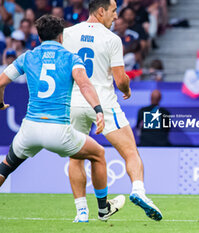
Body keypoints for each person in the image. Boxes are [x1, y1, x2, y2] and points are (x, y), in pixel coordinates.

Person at [0, 15, 125, 222]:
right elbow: (85, 84)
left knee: (6, 166)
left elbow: (1, 82)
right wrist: (98, 110)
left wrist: (0, 101)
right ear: (61, 36)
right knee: (98, 154)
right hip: (58, 130)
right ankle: (103, 210)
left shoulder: (27, 57)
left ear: (39, 36)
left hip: (29, 128)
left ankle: (82, 211)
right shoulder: (70, 58)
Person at [62, 0, 162, 222]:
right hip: (103, 103)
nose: (117, 16)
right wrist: (127, 89)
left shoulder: (67, 34)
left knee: (75, 159)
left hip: (74, 103)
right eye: (114, 11)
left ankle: (81, 212)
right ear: (101, 11)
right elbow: (119, 80)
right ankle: (138, 190)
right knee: (130, 152)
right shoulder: (112, 39)